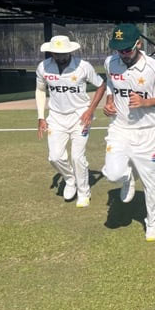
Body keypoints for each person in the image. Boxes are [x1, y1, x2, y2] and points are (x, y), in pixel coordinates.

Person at [101, 23, 155, 242]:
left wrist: (148, 102)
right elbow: (111, 84)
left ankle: (153, 222)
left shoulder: (154, 68)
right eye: (118, 49)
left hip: (147, 132)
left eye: (127, 49)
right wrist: (108, 102)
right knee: (112, 173)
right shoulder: (111, 62)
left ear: (138, 44)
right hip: (119, 127)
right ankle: (127, 178)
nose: (122, 54)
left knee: (151, 181)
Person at [35, 35, 106, 208]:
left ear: (71, 51)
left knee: (77, 157)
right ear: (51, 52)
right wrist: (40, 117)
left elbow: (101, 85)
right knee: (55, 157)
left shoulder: (83, 66)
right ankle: (69, 179)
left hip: (80, 117)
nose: (59, 57)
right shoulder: (43, 67)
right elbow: (40, 90)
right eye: (56, 53)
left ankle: (84, 192)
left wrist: (90, 110)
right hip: (56, 117)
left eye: (63, 53)